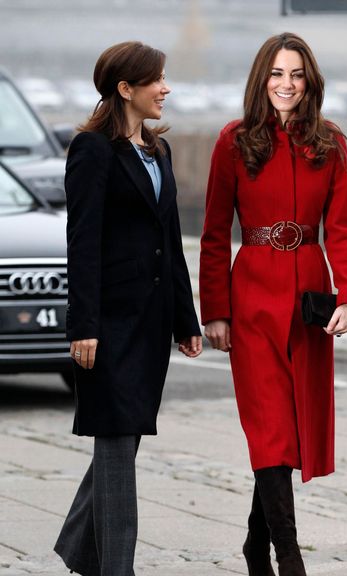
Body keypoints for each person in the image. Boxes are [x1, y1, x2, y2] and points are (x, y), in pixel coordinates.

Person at [199, 32, 347, 576]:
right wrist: (215, 310)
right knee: (269, 425)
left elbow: (341, 230)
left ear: (309, 81)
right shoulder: (233, 141)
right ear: (260, 79)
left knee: (290, 430)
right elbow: (214, 234)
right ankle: (287, 558)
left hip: (310, 301)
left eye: (295, 74)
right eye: (276, 73)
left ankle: (254, 544)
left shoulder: (331, 143)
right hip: (251, 299)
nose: (285, 85)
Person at [54, 41, 202, 576]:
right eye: (156, 80)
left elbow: (171, 241)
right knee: (116, 448)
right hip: (110, 325)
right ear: (126, 89)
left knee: (125, 438)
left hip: (151, 324)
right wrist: (84, 326)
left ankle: (77, 552)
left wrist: (186, 320)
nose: (166, 88)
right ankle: (117, 568)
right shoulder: (92, 150)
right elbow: (82, 242)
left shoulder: (158, 151)